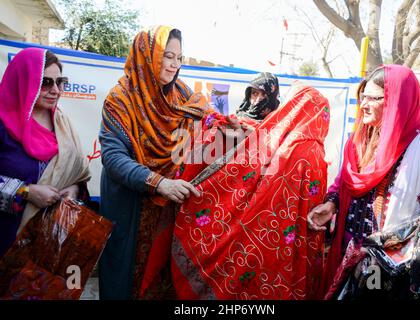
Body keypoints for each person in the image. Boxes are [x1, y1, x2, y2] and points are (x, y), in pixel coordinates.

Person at [98, 26, 246, 300]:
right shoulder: (120, 100)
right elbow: (113, 158)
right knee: (123, 281)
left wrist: (232, 130)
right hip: (130, 207)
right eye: (167, 56)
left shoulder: (180, 93)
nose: (174, 64)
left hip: (168, 208)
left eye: (179, 57)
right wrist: (158, 182)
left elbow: (209, 117)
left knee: (162, 283)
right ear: (147, 55)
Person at [168, 81, 330, 299]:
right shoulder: (315, 151)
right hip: (289, 242)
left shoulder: (281, 141)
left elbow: (243, 172)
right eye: (253, 93)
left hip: (260, 233)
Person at [307, 64, 420, 299]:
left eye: (372, 98)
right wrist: (331, 204)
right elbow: (344, 182)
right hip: (348, 255)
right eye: (362, 97)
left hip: (388, 268)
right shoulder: (359, 143)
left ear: (397, 102)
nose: (363, 105)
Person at [0, 48, 90, 259]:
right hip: (6, 241)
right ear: (23, 82)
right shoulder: (3, 125)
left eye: (60, 82)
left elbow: (78, 173)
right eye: (45, 82)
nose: (56, 90)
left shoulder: (62, 123)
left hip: (47, 245)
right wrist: (26, 192)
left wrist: (74, 189)